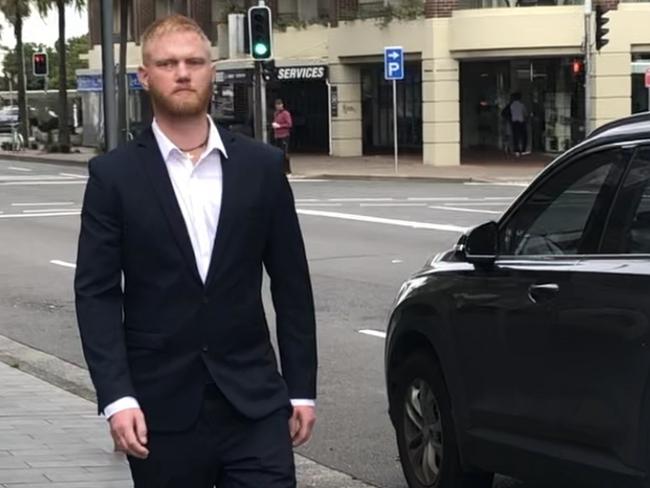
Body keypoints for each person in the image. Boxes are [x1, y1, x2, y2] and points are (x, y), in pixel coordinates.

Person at [74, 14, 317, 488]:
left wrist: (302, 388)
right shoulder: (113, 176)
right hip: (160, 411)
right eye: (167, 63)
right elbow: (97, 294)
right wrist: (117, 398)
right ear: (145, 77)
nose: (182, 72)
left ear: (212, 70)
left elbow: (292, 285)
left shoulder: (262, 167)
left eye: (194, 61)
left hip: (255, 405)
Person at [272, 98, 293, 175]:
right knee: (278, 153)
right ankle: (280, 169)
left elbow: (289, 124)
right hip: (277, 136)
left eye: (279, 105)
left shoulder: (286, 113)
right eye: (277, 105)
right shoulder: (276, 113)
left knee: (285, 153)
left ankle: (288, 170)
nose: (278, 107)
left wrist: (280, 126)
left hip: (284, 135)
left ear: (282, 105)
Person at [509, 92, 528, 157]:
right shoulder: (522, 105)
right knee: (524, 136)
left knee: (515, 136)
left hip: (514, 122)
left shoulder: (512, 105)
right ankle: (523, 150)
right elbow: (525, 113)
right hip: (521, 122)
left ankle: (516, 150)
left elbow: (511, 113)